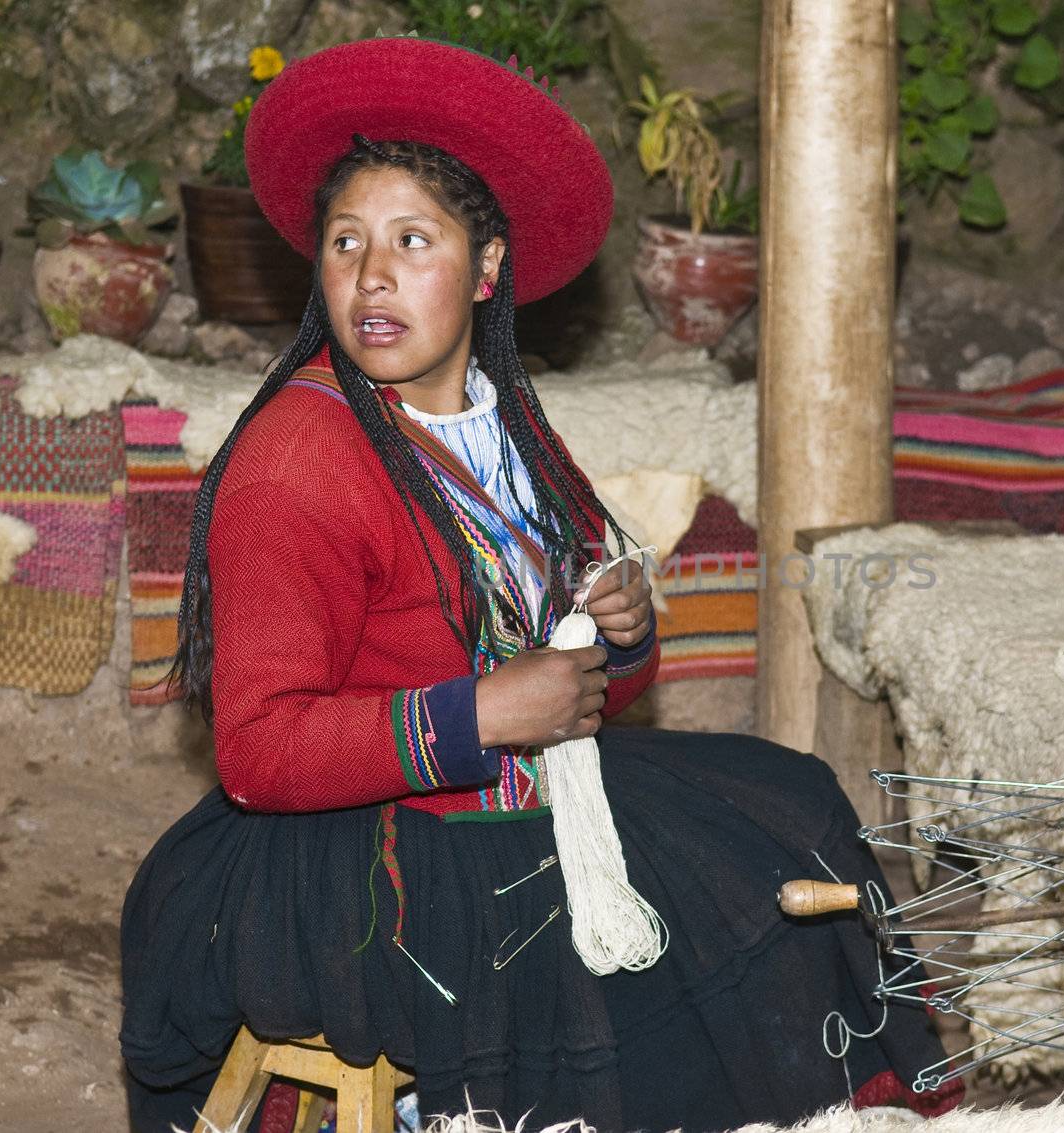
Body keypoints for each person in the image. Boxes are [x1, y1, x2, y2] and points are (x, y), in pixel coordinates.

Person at [119, 37, 953, 1133]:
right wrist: (483, 711)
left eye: (413, 241)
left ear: (486, 267)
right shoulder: (299, 459)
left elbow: (572, 649)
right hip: (365, 851)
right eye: (345, 244)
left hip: (523, 789)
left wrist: (621, 629)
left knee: (791, 802)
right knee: (597, 954)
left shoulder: (501, 420)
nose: (371, 277)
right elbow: (259, 750)